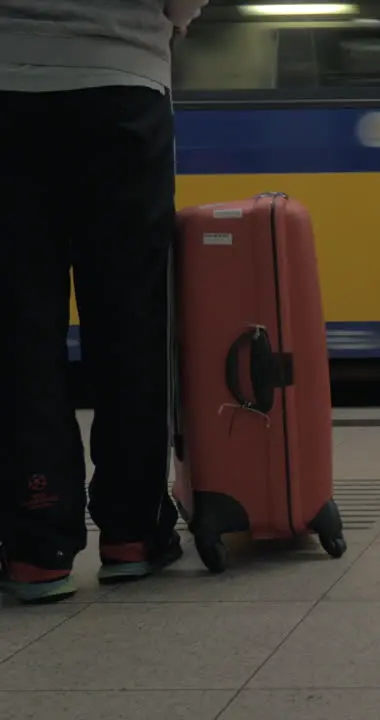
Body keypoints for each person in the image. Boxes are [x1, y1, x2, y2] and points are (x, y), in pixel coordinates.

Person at [0, 0, 208, 604]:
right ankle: (132, 534)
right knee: (130, 318)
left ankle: (36, 543)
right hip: (121, 82)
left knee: (18, 325)